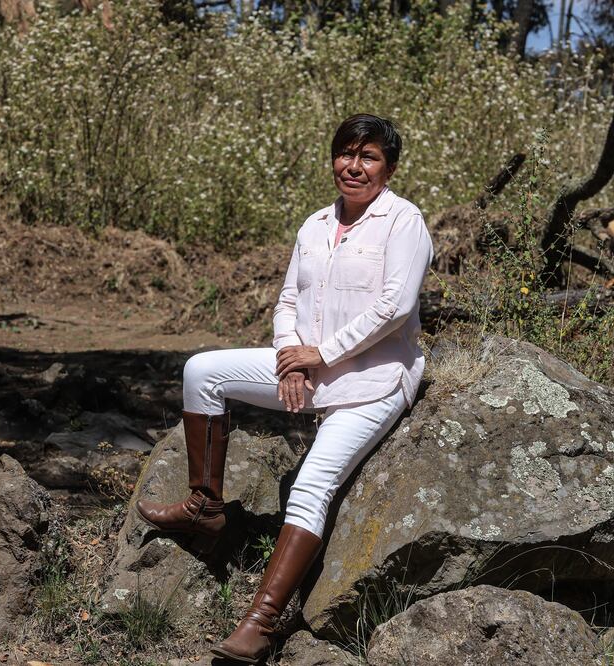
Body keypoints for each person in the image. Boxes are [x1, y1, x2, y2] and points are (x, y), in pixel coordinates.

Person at [135, 113, 433, 664]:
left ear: (388, 169)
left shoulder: (404, 221)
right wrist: (290, 362)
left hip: (373, 380)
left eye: (368, 157)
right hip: (309, 368)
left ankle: (261, 624)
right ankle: (204, 506)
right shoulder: (315, 224)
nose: (353, 166)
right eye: (345, 153)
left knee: (311, 485)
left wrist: (322, 353)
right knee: (202, 371)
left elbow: (396, 305)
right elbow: (289, 302)